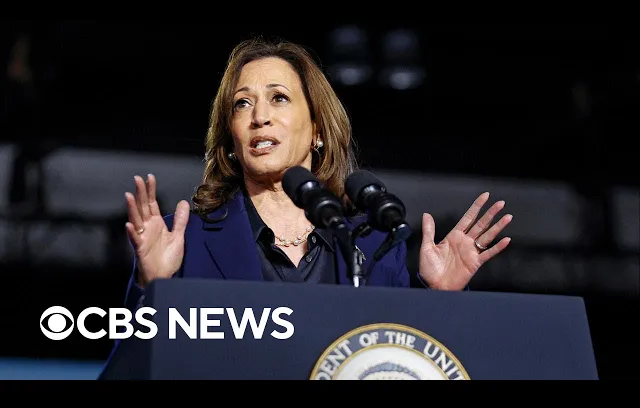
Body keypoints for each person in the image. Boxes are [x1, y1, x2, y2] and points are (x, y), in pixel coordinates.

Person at [122, 37, 513, 311]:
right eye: (242, 104)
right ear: (230, 140)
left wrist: (441, 298)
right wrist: (149, 287)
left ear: (317, 130)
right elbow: (134, 367)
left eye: (279, 98)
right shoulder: (184, 240)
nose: (259, 117)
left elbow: (397, 360)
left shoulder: (374, 244)